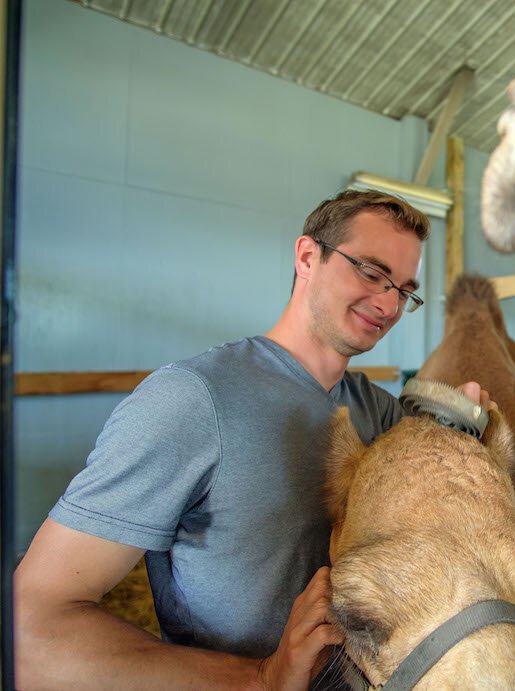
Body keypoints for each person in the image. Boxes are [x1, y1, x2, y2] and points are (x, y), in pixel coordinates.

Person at [14, 190, 490, 690]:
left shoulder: (376, 409)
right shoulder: (192, 399)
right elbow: (34, 630)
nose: (390, 303)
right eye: (371, 273)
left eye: (405, 290)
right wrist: (260, 677)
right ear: (308, 257)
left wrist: (456, 424)